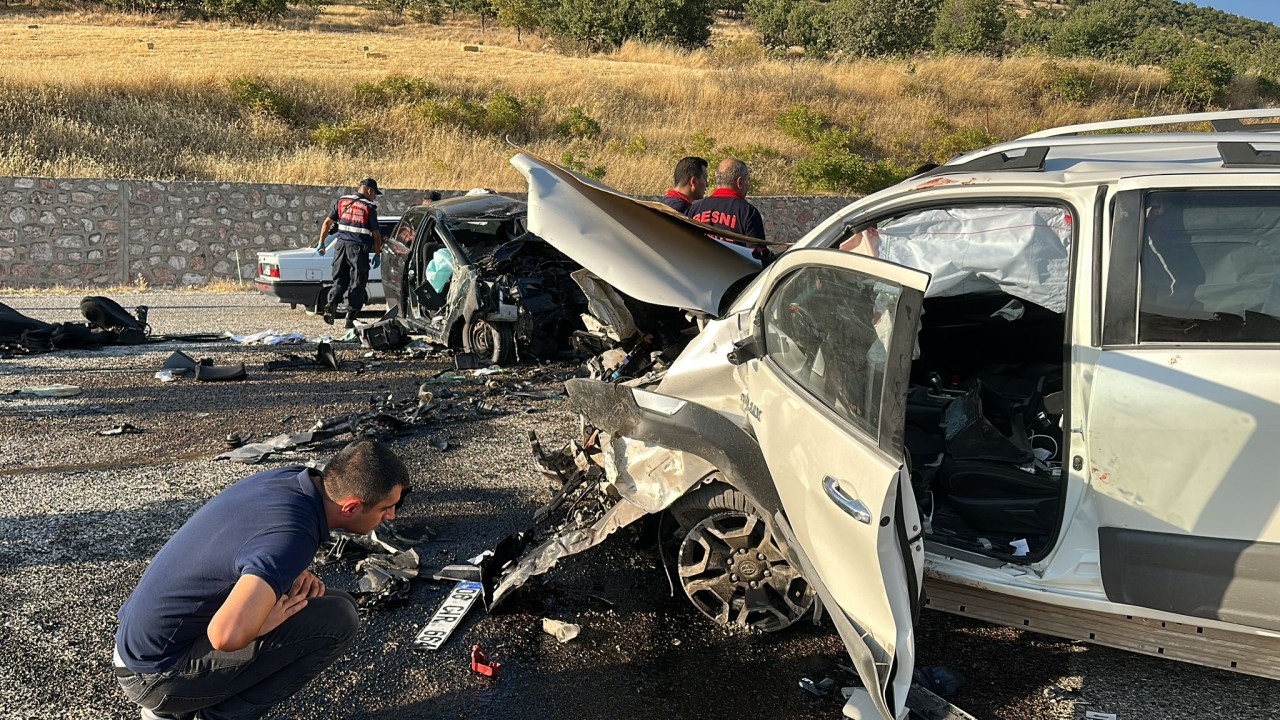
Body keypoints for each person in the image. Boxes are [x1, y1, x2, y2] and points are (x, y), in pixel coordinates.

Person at [112, 440, 411, 720]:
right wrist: (263, 620)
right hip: (154, 676)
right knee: (338, 619)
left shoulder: (293, 480)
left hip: (140, 644)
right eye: (386, 507)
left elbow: (249, 538)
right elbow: (225, 636)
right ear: (351, 507)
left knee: (334, 602)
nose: (392, 517)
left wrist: (285, 573)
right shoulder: (292, 538)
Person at [317, 178, 384, 328]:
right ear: (369, 190)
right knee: (357, 283)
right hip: (358, 249)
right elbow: (376, 235)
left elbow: (327, 223)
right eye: (375, 194)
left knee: (340, 280)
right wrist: (378, 254)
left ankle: (332, 301)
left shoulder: (342, 201)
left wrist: (322, 243)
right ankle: (351, 318)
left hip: (340, 246)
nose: (375, 197)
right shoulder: (369, 207)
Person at [687, 157, 770, 261]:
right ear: (740, 182)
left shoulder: (693, 209)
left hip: (698, 273)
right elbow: (758, 257)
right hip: (736, 275)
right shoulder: (747, 212)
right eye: (747, 181)